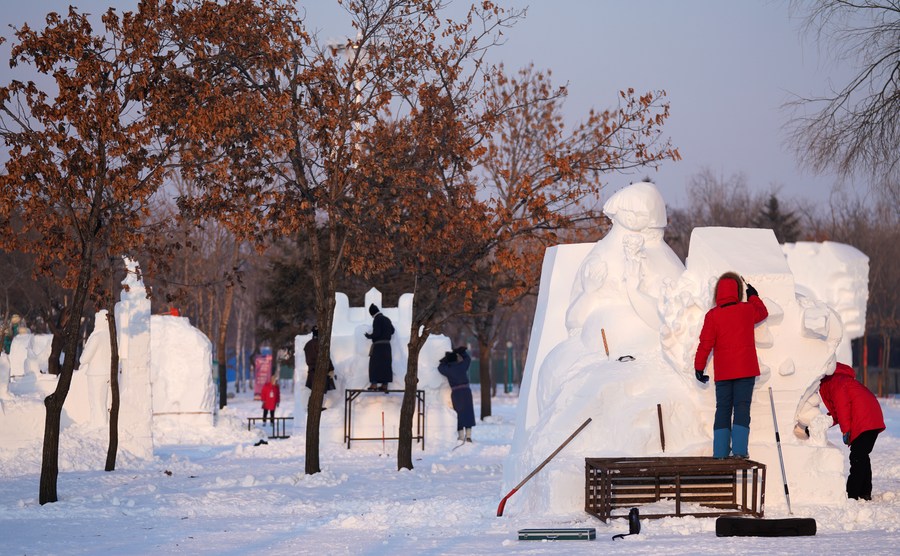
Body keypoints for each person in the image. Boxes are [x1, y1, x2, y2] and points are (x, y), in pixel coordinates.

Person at [694, 272, 768, 459]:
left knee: (723, 409)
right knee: (742, 407)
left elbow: (705, 343)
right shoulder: (747, 310)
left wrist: (699, 367)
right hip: (745, 369)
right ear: (737, 291)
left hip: (724, 373)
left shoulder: (713, 316)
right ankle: (740, 451)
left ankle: (720, 452)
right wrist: (753, 296)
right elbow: (763, 312)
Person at [796, 362, 885, 500]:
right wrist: (817, 425)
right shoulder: (840, 380)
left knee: (857, 457)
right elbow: (837, 413)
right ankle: (864, 492)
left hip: (864, 419)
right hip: (871, 418)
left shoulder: (835, 382)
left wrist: (846, 431)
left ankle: (852, 494)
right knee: (862, 456)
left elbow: (842, 409)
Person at [438, 345, 476, 443]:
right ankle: (468, 435)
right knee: (468, 412)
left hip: (456, 393)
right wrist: (461, 352)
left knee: (458, 413)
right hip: (466, 391)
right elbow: (468, 359)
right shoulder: (462, 366)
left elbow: (440, 368)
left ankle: (461, 436)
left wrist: (445, 360)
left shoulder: (448, 369)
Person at [364, 304, 394, 392]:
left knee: (374, 365)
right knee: (386, 365)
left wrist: (369, 336)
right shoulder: (387, 319)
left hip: (378, 347)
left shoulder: (377, 319)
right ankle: (385, 385)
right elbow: (392, 331)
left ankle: (374, 384)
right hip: (387, 346)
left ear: (372, 313)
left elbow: (377, 333)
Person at [304, 326, 336, 392]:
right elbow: (326, 358)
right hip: (320, 372)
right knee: (319, 393)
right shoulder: (320, 344)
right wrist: (331, 369)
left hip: (311, 372)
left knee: (315, 392)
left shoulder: (307, 344)